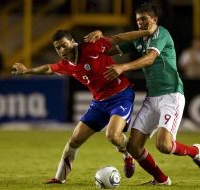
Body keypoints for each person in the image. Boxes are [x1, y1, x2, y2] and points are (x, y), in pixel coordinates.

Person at [86, 2, 200, 186]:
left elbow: (151, 58)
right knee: (133, 147)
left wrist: (123, 67)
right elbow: (108, 49)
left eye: (144, 19)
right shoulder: (138, 39)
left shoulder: (162, 33)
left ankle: (195, 152)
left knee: (164, 146)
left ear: (155, 19)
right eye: (138, 20)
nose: (141, 23)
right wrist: (100, 38)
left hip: (171, 94)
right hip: (152, 97)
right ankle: (161, 180)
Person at [11, 28, 157, 184]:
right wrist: (27, 71)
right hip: (99, 103)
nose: (61, 50)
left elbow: (118, 38)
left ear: (73, 42)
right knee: (74, 141)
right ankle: (59, 178)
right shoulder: (66, 64)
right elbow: (48, 68)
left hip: (121, 95)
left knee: (112, 135)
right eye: (57, 48)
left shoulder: (91, 47)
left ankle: (127, 154)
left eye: (64, 45)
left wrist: (146, 33)